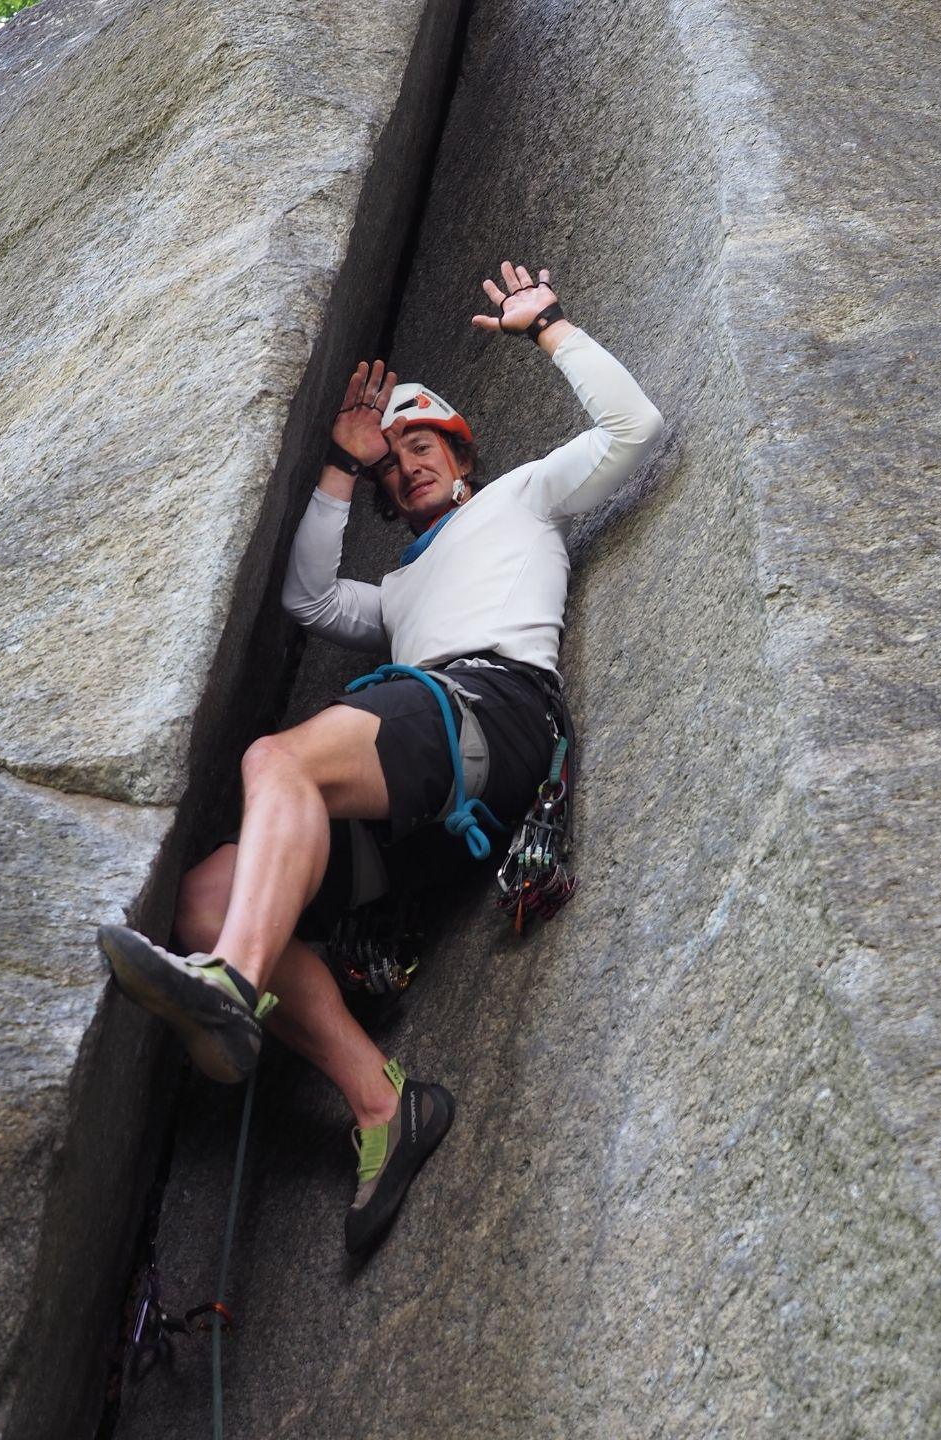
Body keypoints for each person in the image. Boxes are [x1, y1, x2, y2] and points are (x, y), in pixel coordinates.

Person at [97, 261, 664, 1252]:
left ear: (461, 451)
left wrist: (550, 327)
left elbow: (635, 429)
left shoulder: (521, 498)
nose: (407, 467)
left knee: (278, 761)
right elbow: (310, 599)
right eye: (391, 466)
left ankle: (232, 984)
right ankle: (383, 1103)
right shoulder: (399, 590)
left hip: (490, 709)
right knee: (203, 897)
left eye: (421, 445)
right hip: (433, 802)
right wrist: (339, 466)